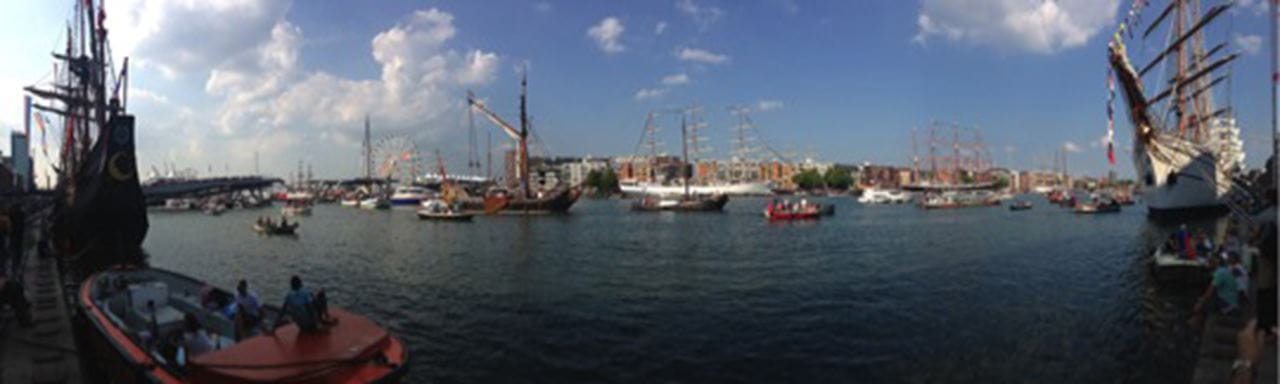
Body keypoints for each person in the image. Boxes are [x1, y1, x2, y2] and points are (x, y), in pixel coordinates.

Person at [1191, 255, 1239, 326]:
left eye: (1210, 262)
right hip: (1229, 300)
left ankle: (1197, 323)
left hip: (1228, 303)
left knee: (1203, 305)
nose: (1208, 264)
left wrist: (1200, 302)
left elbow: (1210, 291)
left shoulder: (1219, 273)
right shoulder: (1223, 270)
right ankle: (1198, 321)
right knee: (1205, 302)